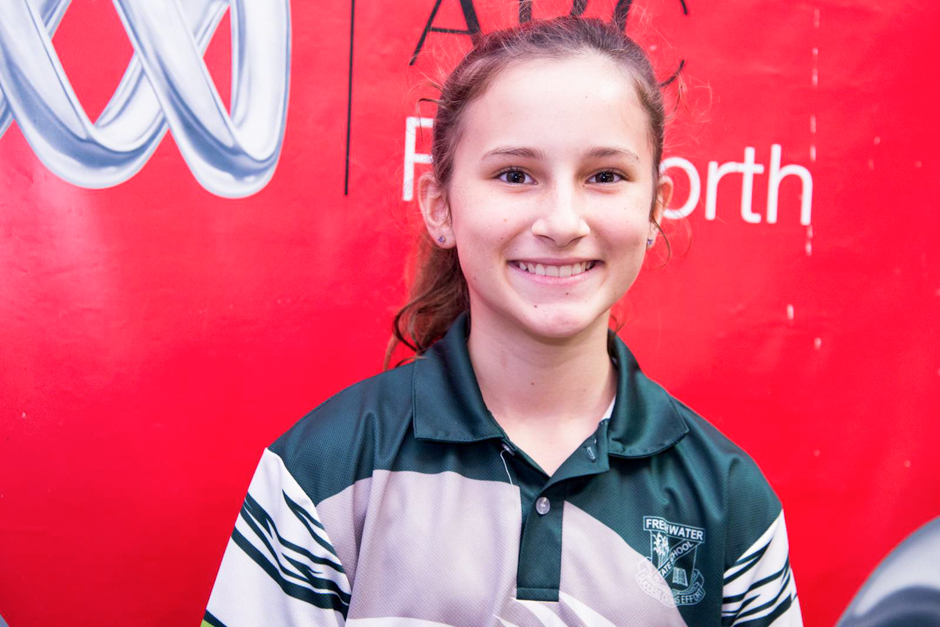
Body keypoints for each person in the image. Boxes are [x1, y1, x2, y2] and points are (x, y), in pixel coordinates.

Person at [202, 16, 802, 627]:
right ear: (441, 206)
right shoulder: (325, 471)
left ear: (655, 208)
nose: (563, 222)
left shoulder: (730, 500)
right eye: (515, 175)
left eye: (605, 176)